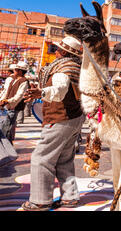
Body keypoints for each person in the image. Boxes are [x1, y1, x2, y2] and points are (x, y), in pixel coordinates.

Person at [21, 36, 85, 211]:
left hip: (60, 118)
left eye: (56, 49)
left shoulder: (63, 68)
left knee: (41, 159)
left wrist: (41, 92)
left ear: (64, 52)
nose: (54, 51)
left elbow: (60, 89)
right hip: (73, 118)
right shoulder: (75, 67)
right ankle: (70, 198)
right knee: (64, 160)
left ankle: (40, 201)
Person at [0, 62, 29, 143]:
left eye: (15, 70)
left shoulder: (24, 81)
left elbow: (19, 95)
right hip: (7, 106)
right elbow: (7, 92)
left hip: (13, 107)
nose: (14, 72)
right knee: (5, 127)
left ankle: (7, 147)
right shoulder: (13, 80)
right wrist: (2, 100)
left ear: (20, 71)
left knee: (7, 129)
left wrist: (8, 101)